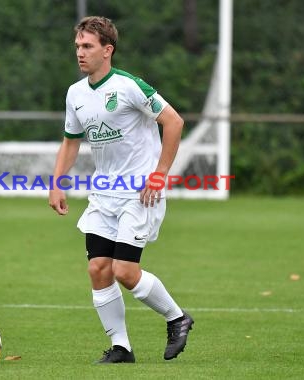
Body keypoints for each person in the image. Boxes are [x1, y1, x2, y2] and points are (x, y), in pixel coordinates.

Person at [48, 16, 193, 364]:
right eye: (78, 47)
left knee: (124, 271)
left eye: (88, 46)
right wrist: (56, 183)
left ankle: (177, 318)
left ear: (107, 50)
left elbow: (174, 121)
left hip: (139, 192)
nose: (80, 53)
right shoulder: (76, 94)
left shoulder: (129, 86)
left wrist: (159, 174)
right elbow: (70, 143)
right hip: (104, 194)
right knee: (98, 268)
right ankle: (121, 348)